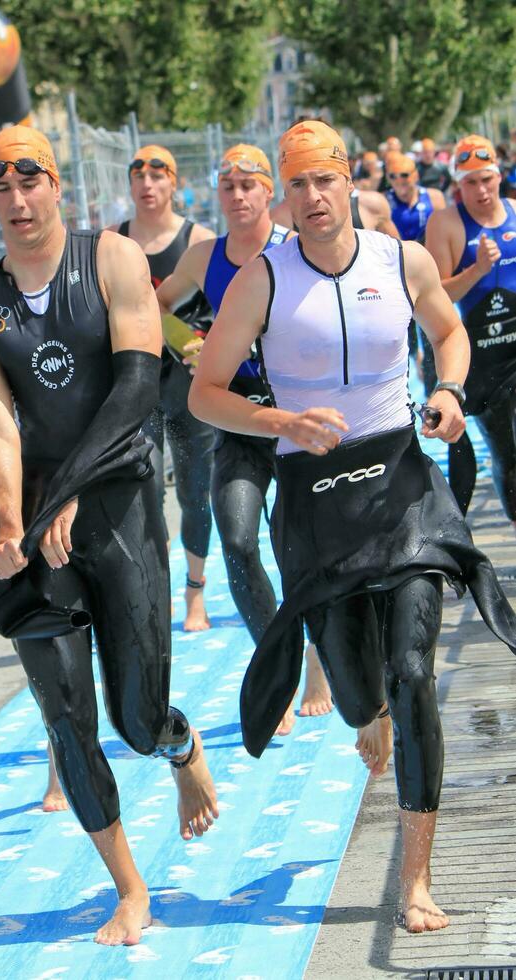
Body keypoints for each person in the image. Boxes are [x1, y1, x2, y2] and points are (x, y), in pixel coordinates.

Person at [188, 119, 516, 933]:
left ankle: (413, 882)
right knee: (359, 698)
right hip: (314, 504)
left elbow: (448, 329)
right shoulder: (258, 280)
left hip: (400, 486)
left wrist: (446, 391)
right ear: (283, 197)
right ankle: (360, 714)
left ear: (345, 183)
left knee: (412, 675)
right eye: (295, 184)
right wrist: (281, 422)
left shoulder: (396, 260)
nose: (311, 197)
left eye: (323, 180)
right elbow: (205, 392)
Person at [0, 125, 218, 946]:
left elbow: (139, 387)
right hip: (39, 524)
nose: (17, 200)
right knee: (65, 714)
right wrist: (9, 526)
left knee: (134, 719)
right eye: (1, 187)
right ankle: (130, 888)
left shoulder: (110, 260)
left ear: (56, 186)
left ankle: (179, 746)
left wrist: (69, 492)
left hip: (120, 507)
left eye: (30, 182)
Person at [157, 143, 335, 734]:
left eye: (248, 185)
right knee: (236, 540)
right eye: (227, 186)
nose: (236, 196)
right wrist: (190, 341)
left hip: (296, 426)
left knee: (301, 551)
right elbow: (155, 307)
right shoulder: (204, 256)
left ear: (269, 194)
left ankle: (316, 659)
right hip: (238, 425)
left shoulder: (293, 253)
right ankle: (280, 670)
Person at [112, 144, 215, 631]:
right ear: (130, 184)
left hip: (189, 384)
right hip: (137, 384)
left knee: (196, 492)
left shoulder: (200, 240)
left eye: (158, 176)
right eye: (139, 176)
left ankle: (195, 591)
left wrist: (204, 347)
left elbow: (231, 310)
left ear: (174, 183)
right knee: (145, 489)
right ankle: (158, 583)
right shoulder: (112, 241)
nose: (148, 185)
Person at [426, 134, 516, 526]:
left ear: (499, 176)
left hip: (513, 355)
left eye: (486, 179)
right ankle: (456, 549)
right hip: (472, 360)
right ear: (458, 185)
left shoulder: (515, 211)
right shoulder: (446, 223)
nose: (480, 190)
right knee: (490, 456)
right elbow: (435, 296)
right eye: (470, 182)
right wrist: (477, 269)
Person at [386, 154, 445, 242]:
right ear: (388, 178)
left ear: (416, 175)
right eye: (392, 176)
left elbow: (443, 231)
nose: (399, 179)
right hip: (399, 253)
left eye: (404, 175)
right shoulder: (383, 200)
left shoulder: (434, 197)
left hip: (428, 251)